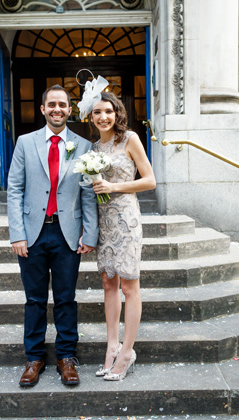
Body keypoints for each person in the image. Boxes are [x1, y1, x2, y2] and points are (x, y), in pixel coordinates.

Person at [7, 85, 99, 387]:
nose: (57, 109)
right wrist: (17, 234)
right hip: (32, 234)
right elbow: (15, 190)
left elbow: (87, 192)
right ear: (43, 109)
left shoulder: (83, 146)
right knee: (34, 300)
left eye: (63, 105)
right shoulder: (25, 142)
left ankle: (66, 358)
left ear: (69, 110)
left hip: (67, 233)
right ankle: (34, 359)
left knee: (65, 299)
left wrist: (91, 233)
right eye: (52, 104)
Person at [78, 78, 156, 381]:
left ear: (116, 112)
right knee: (108, 284)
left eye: (108, 111)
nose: (103, 117)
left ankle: (127, 351)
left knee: (128, 286)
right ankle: (111, 347)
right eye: (97, 112)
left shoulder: (130, 139)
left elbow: (149, 180)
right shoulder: (92, 148)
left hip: (126, 219)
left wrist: (113, 185)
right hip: (104, 223)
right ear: (91, 117)